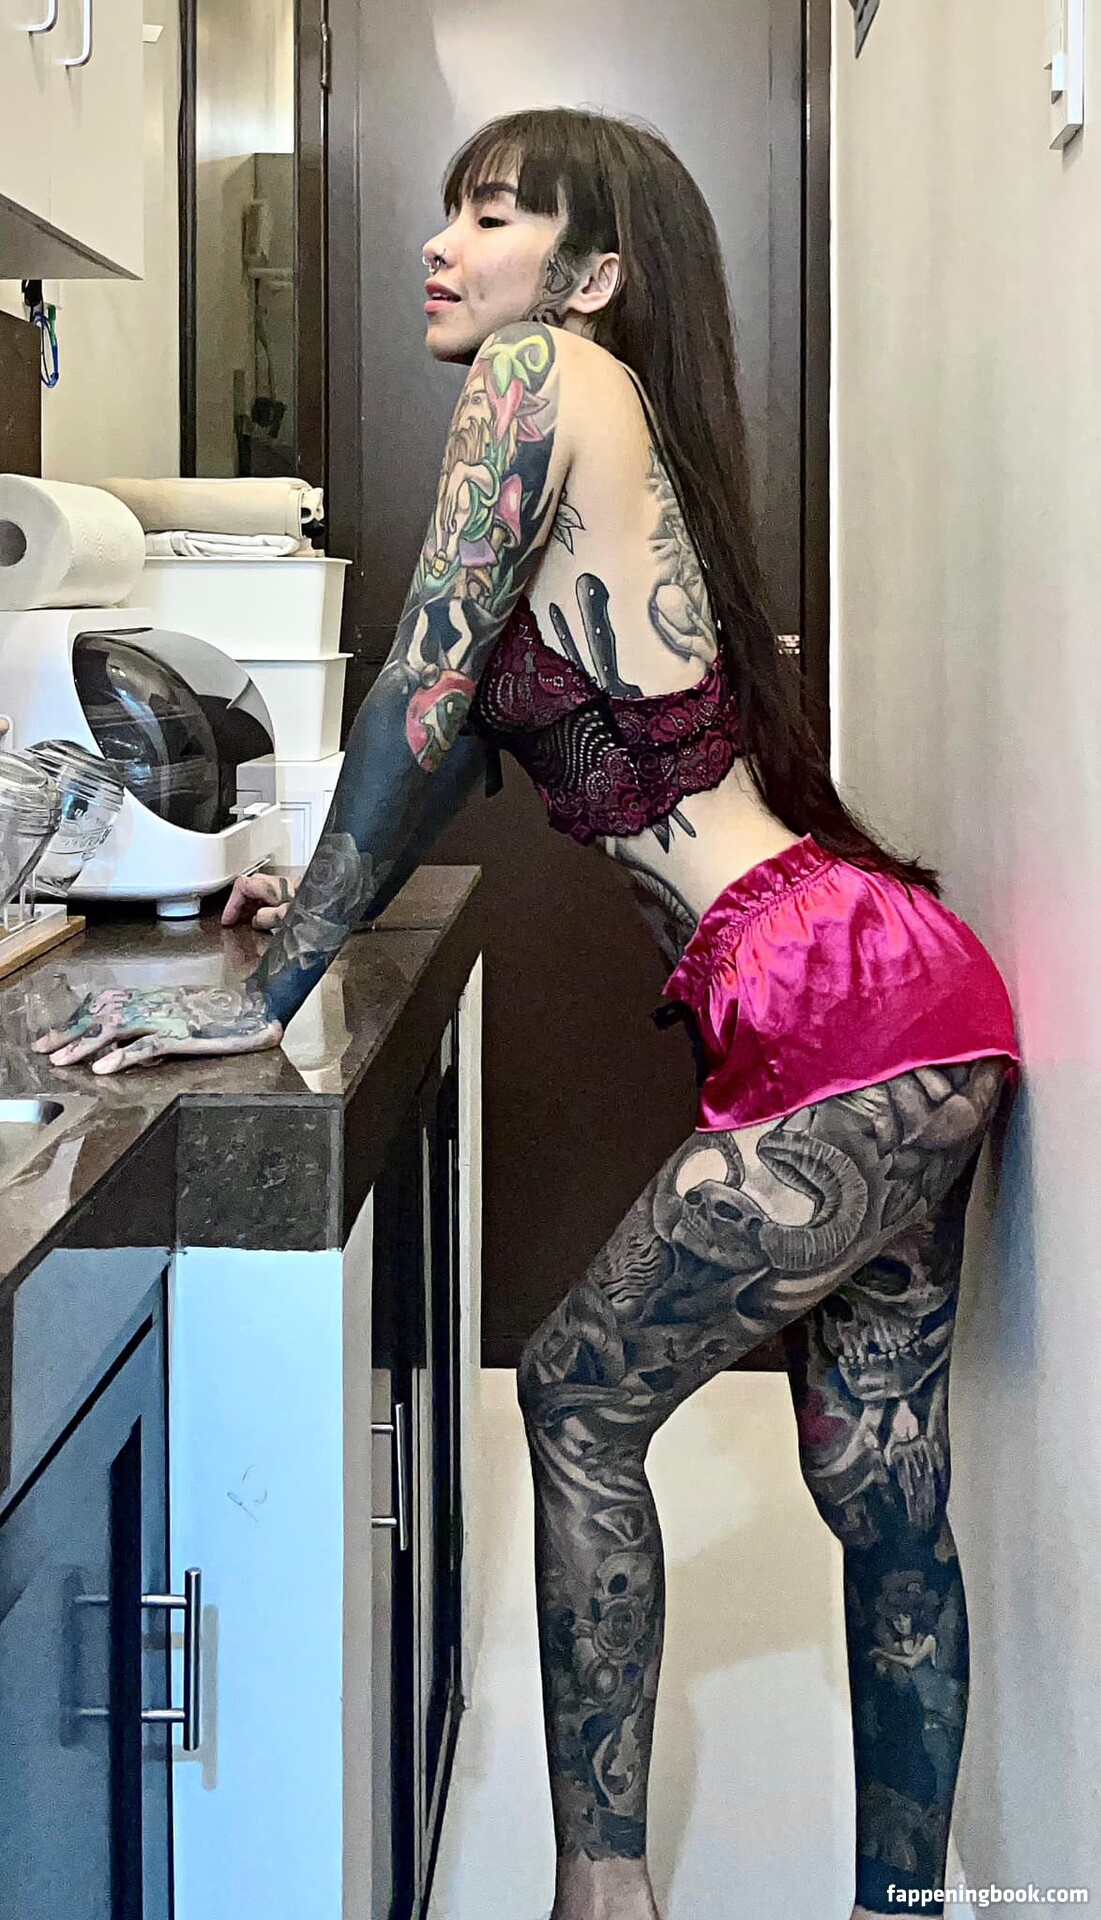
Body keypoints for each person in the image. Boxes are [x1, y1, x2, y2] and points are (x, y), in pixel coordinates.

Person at [36, 108, 1021, 1920]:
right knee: (880, 1493)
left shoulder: (537, 373)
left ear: (590, 274)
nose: (443, 246)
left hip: (819, 993)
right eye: (451, 213)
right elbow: (452, 733)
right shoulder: (622, 427)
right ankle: (901, 1903)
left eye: (489, 215)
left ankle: (600, 1892)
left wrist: (274, 990)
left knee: (574, 1399)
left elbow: (422, 682)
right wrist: (291, 883)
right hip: (902, 993)